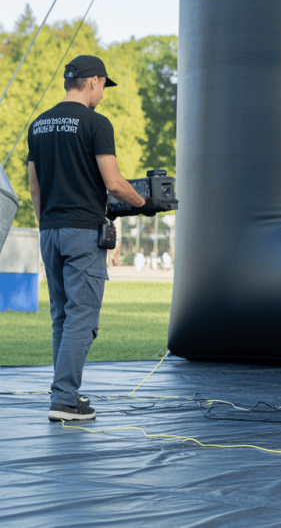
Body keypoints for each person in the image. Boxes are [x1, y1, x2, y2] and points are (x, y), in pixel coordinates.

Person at [27, 55, 173, 422]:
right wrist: (147, 204)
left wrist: (46, 222)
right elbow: (114, 182)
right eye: (103, 87)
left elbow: (34, 187)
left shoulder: (38, 124)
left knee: (61, 315)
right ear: (93, 81)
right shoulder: (96, 123)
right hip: (82, 234)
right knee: (82, 317)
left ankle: (64, 394)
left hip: (50, 230)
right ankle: (64, 400)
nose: (102, 94)